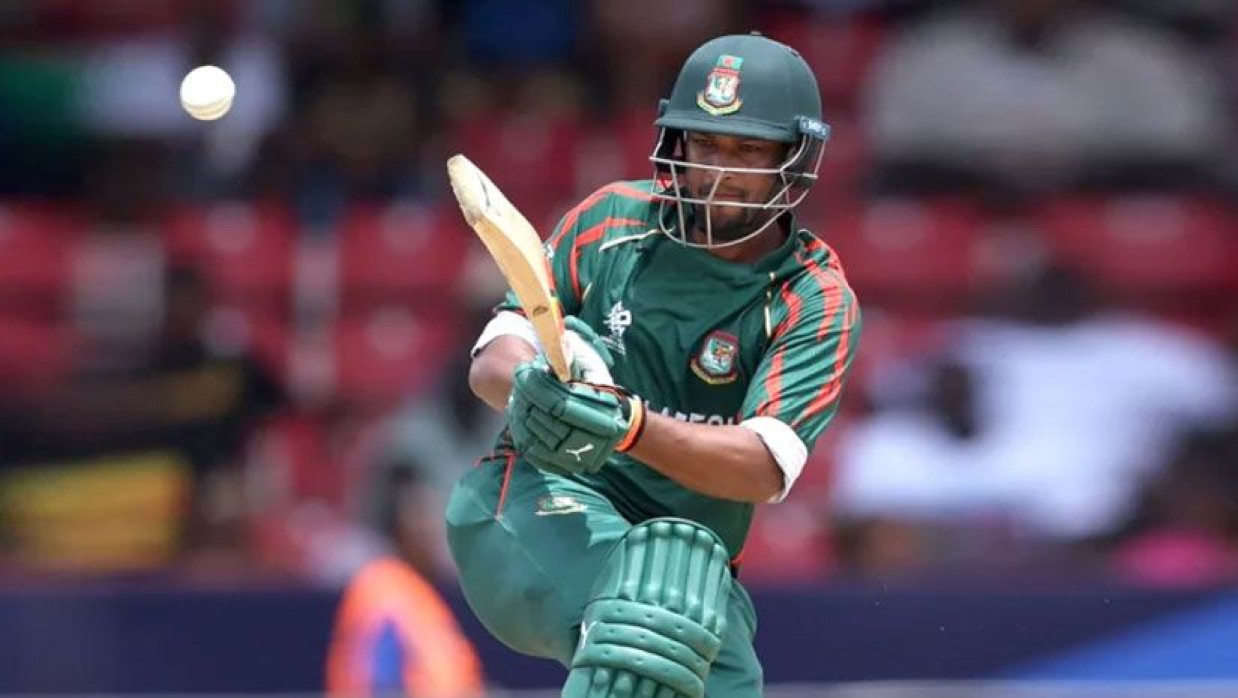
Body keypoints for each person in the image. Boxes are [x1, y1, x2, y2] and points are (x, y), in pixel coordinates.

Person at [445, 33, 860, 698]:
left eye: (747, 150)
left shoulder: (811, 297)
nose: (718, 172)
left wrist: (629, 426)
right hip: (534, 504)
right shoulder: (612, 220)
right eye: (705, 144)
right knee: (638, 627)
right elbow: (493, 358)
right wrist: (531, 385)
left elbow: (761, 466)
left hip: (687, 566)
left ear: (795, 159)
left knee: (710, 674)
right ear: (677, 144)